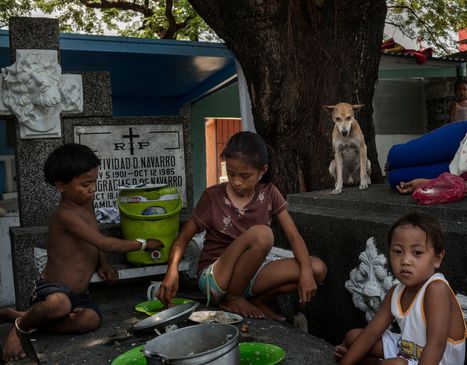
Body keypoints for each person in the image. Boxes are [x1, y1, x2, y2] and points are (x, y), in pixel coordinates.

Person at [0, 143, 164, 362]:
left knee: (91, 320)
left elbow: (93, 236)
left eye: (95, 181)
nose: (93, 189)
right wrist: (143, 244)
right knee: (59, 305)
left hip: (79, 295)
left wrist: (103, 263)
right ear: (61, 186)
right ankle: (19, 328)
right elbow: (104, 242)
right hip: (52, 290)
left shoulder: (85, 202)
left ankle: (30, 319)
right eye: (86, 183)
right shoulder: (65, 215)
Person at [156, 131, 327, 320]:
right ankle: (232, 298)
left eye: (245, 176)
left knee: (317, 269)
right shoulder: (212, 196)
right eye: (230, 173)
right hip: (216, 278)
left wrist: (306, 272)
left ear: (262, 170)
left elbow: (294, 237)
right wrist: (171, 271)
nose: (237, 182)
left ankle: (256, 300)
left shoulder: (270, 193)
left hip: (250, 275)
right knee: (263, 234)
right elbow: (183, 239)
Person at [334, 211, 467, 365]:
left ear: (437, 259)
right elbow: (371, 333)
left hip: (434, 361)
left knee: (396, 364)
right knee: (354, 336)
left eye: (417, 253)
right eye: (397, 252)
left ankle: (372, 363)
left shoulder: (436, 289)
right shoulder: (396, 292)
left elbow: (436, 345)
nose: (405, 261)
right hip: (406, 351)